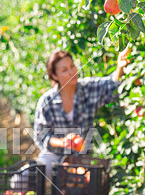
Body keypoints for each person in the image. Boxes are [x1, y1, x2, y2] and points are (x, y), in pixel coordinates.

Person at [34, 48, 131, 178]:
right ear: (55, 76)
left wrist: (120, 67)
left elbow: (112, 86)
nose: (72, 72)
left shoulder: (88, 89)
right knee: (29, 176)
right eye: (64, 70)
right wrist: (63, 142)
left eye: (72, 66)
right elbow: (41, 136)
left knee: (96, 179)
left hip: (81, 158)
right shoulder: (47, 101)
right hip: (54, 156)